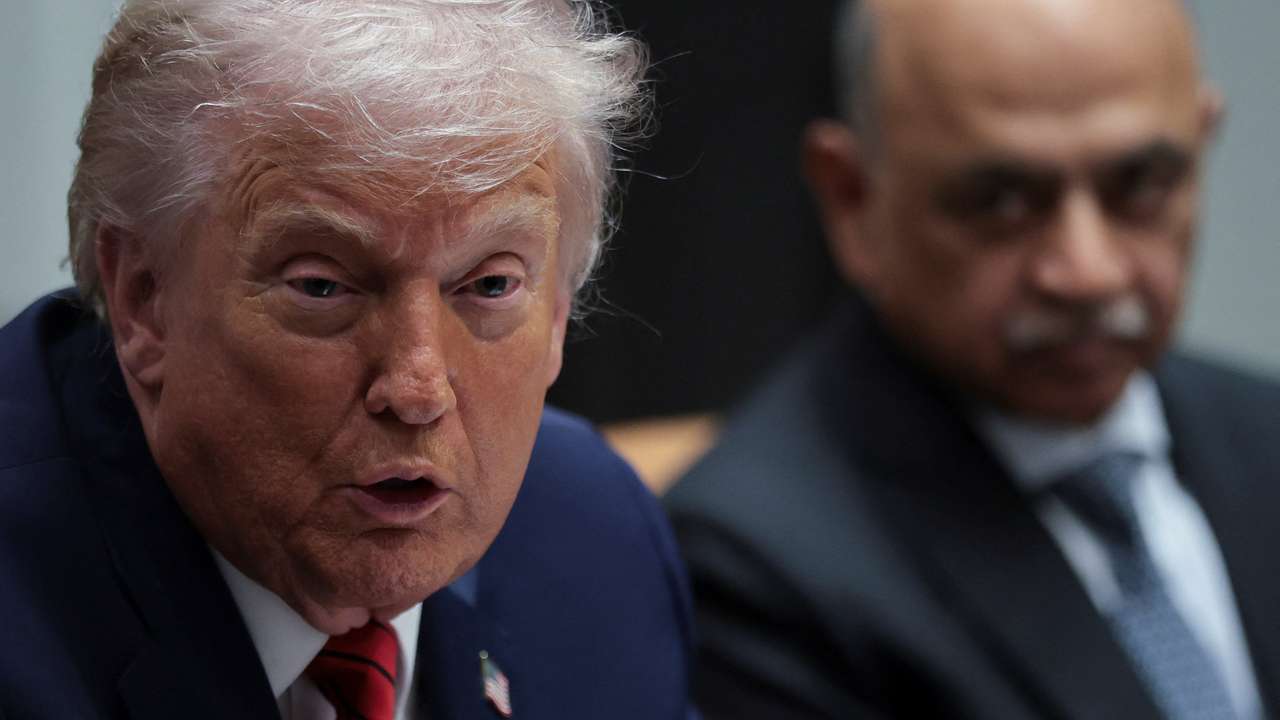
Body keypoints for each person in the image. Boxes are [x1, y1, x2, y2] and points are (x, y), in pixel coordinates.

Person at [0, 1, 695, 718]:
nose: (418, 389)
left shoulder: (593, 539)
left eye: (490, 285)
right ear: (144, 299)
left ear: (556, 315)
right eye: (322, 286)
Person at [666, 0, 1280, 718]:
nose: (1088, 272)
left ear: (1202, 142)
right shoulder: (756, 570)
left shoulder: (1264, 433)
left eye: (1140, 184)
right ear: (851, 196)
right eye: (1003, 202)